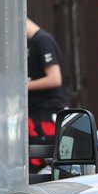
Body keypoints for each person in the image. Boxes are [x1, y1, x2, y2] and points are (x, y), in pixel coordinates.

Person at [26, 17, 67, 172]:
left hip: (48, 115)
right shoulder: (32, 44)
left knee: (46, 165)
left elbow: (55, 78)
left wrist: (24, 86)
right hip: (36, 115)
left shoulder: (42, 41)